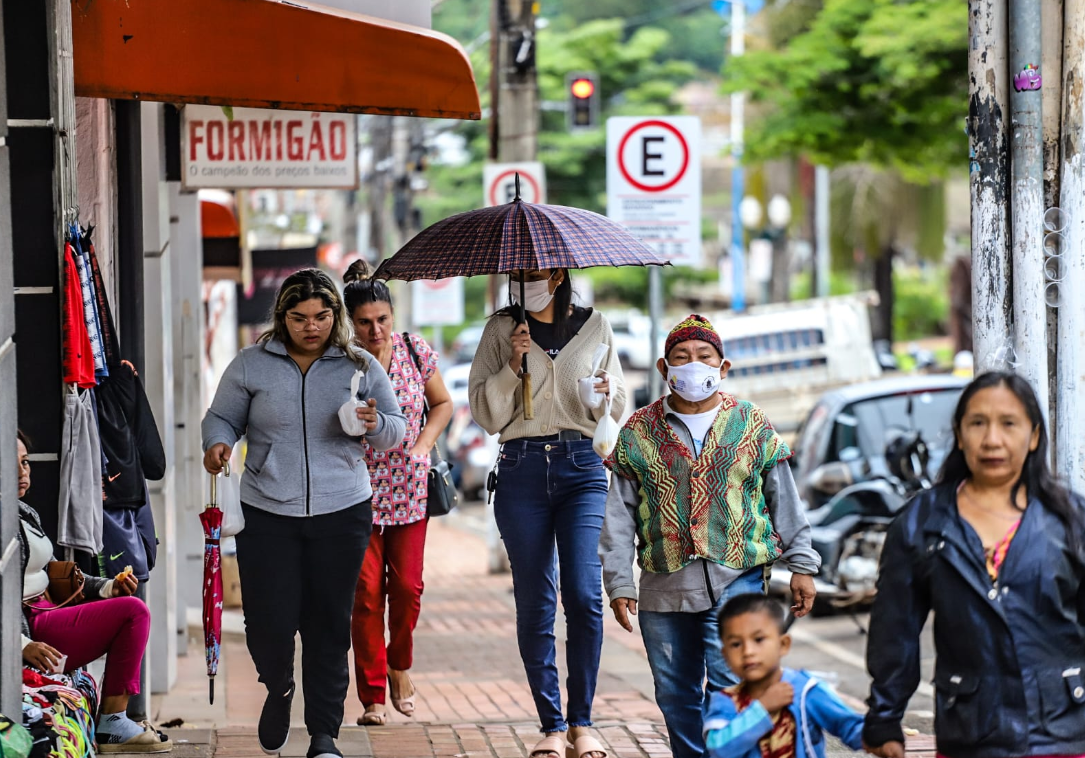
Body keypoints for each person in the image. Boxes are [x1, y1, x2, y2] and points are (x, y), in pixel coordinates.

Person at [202, 268, 406, 758]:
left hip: (342, 510)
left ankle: (323, 735)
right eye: (298, 317)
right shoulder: (252, 364)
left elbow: (396, 429)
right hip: (268, 512)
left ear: (334, 316)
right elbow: (221, 416)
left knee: (328, 624)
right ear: (282, 316)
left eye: (321, 316)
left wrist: (375, 422)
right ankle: (278, 686)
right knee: (268, 621)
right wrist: (218, 443)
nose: (310, 326)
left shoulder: (357, 364)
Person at [599, 314, 819, 758]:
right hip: (664, 587)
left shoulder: (751, 424)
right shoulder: (639, 432)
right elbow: (618, 517)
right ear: (664, 369)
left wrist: (802, 564)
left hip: (738, 577)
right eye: (681, 357)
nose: (693, 365)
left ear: (723, 367)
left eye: (704, 357)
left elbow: (784, 499)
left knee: (730, 686)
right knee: (676, 695)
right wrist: (619, 581)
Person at [864, 371, 1085, 758]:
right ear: (960, 433)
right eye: (978, 423)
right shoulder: (921, 523)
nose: (992, 439)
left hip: (1065, 732)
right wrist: (884, 718)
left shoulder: (1070, 519)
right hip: (970, 733)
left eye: (1009, 423)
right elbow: (894, 630)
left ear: (1033, 436)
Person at [468, 268, 625, 758]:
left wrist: (605, 391)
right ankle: (552, 726)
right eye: (517, 274)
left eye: (532, 274)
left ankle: (583, 722)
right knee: (535, 602)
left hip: (582, 466)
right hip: (521, 469)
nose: (523, 281)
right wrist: (512, 366)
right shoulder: (500, 330)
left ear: (557, 275)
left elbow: (617, 402)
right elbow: (484, 412)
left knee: (582, 593)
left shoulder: (595, 325)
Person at [342, 260, 453, 726]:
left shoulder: (414, 349)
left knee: (406, 588)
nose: (375, 331)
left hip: (409, 491)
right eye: (364, 323)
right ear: (350, 322)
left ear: (393, 316)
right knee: (366, 593)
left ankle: (400, 666)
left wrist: (423, 447)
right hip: (354, 493)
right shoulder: (340, 361)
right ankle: (371, 695)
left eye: (382, 320)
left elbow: (443, 404)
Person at [16, 431, 171, 754]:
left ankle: (114, 719)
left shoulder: (23, 513)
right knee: (133, 612)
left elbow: (55, 571)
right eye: (11, 464)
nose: (23, 472)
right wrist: (22, 645)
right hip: (32, 625)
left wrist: (107, 586)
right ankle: (113, 723)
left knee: (129, 603)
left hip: (49, 610)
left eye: (26, 462)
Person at [703, 594, 863, 758]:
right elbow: (718, 749)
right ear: (725, 655)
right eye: (736, 644)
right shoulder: (726, 701)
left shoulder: (805, 691)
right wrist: (762, 709)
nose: (747, 652)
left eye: (758, 639)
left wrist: (883, 738)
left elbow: (849, 726)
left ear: (783, 644)